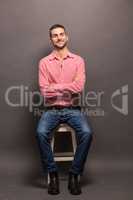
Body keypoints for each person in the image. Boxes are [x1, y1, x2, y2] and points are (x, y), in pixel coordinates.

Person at [36, 24, 93, 195]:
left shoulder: (78, 60)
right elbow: (44, 90)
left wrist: (56, 86)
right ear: (51, 39)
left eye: (61, 34)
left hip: (73, 109)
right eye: (55, 35)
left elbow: (78, 88)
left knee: (87, 133)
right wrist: (67, 87)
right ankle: (52, 174)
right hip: (51, 109)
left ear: (66, 37)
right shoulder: (44, 62)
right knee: (40, 133)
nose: (59, 37)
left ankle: (74, 174)